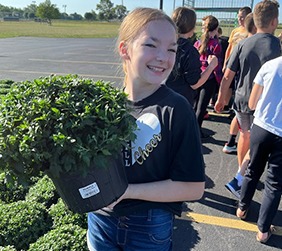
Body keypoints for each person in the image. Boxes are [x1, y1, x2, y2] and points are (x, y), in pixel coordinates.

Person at [87, 8, 206, 251]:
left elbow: (193, 187)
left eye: (172, 48)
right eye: (151, 45)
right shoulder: (106, 105)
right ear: (124, 49)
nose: (164, 56)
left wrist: (127, 191)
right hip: (99, 219)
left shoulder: (175, 109)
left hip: (148, 225)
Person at [215, 0, 281, 199]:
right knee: (259, 141)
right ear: (274, 21)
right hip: (267, 103)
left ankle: (241, 173)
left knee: (245, 135)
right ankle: (242, 176)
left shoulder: (242, 43)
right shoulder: (276, 46)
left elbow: (228, 75)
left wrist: (220, 98)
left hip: (243, 100)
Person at [236, 55, 282, 243]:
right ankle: (263, 230)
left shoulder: (270, 65)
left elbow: (252, 103)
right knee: (275, 182)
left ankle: (242, 207)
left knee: (253, 169)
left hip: (262, 127)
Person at [166, 7, 218, 106]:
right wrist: (211, 66)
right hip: (179, 103)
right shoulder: (189, 51)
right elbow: (194, 83)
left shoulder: (164, 44)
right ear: (192, 27)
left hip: (161, 96)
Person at [222, 7, 252, 154]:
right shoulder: (235, 31)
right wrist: (225, 63)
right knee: (232, 94)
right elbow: (229, 47)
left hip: (243, 70)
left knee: (238, 101)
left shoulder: (251, 32)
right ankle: (232, 140)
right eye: (239, 17)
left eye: (243, 17)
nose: (240, 19)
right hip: (233, 66)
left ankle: (233, 139)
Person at [194, 15, 223, 138]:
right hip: (209, 79)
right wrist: (220, 81)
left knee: (195, 106)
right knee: (202, 107)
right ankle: (196, 131)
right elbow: (217, 66)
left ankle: (192, 129)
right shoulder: (216, 45)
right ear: (216, 29)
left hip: (197, 77)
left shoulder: (197, 43)